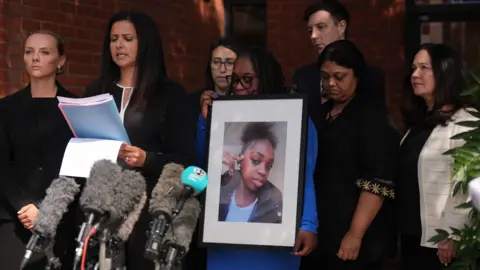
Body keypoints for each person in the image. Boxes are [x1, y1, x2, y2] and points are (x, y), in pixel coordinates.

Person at [84, 11, 195, 269]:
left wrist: (148, 159)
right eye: (113, 39)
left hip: (148, 205)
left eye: (127, 38)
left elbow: (186, 157)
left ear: (145, 43)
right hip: (102, 204)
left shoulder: (170, 94)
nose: (118, 45)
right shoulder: (96, 91)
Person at [198, 47, 318, 270]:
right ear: (240, 156)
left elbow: (305, 175)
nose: (239, 87)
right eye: (235, 80)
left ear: (266, 78)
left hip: (274, 248)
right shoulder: (222, 115)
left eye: (247, 79)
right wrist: (206, 122)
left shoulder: (296, 117)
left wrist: (309, 224)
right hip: (223, 247)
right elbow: (200, 164)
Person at [301, 40, 399, 270]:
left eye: (339, 76)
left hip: (355, 239)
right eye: (325, 77)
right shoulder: (322, 113)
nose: (331, 83)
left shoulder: (372, 118)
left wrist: (355, 234)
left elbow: (377, 181)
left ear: (357, 75)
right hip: (321, 233)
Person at [396, 43, 478, 269]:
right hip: (413, 233)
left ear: (445, 73)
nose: (415, 75)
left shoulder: (465, 120)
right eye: (413, 68)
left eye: (424, 68)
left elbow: (468, 180)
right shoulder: (419, 123)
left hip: (442, 241)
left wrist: (453, 233)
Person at [0, 30, 77, 270]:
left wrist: (46, 208)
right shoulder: (6, 107)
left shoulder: (76, 107)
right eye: (29, 51)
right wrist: (25, 207)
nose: (35, 57)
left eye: (45, 52)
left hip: (62, 219)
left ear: (60, 61)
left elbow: (79, 167)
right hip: (15, 219)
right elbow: (2, 164)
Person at [292, 1, 386, 122]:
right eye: (310, 30)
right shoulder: (303, 77)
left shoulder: (370, 75)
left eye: (321, 27)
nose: (313, 36)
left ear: (341, 27)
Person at [219, 122, 283, 224]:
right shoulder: (220, 186)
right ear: (240, 159)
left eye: (269, 166)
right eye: (256, 160)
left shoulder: (274, 205)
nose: (263, 171)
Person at [191, 38, 240, 166]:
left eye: (229, 63)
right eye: (216, 62)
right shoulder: (192, 101)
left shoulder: (246, 102)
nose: (222, 69)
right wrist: (203, 120)